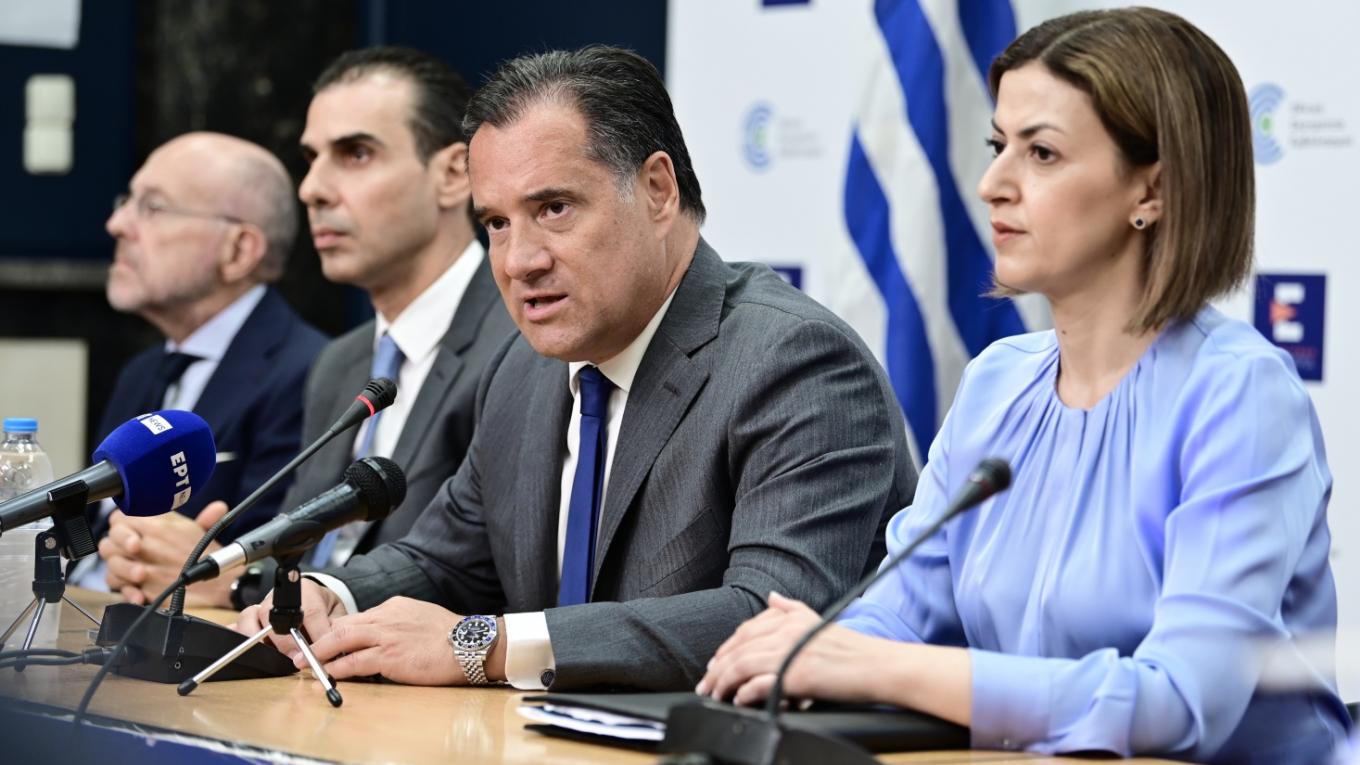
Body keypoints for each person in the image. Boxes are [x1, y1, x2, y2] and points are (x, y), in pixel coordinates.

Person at [698, 8, 1351, 763]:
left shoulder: (1239, 395)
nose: (990, 185)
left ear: (1154, 190)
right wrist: (809, 649)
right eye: (996, 145)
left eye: (1041, 153)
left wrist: (872, 665)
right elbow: (899, 615)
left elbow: (1175, 704)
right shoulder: (997, 382)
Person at [236, 45, 916, 692]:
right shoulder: (524, 370)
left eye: (553, 209)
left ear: (657, 189)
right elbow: (442, 560)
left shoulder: (795, 361)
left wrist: (483, 644)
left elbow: (770, 621)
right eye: (496, 223)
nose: (519, 261)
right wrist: (332, 595)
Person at [97, 47, 517, 609]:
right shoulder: (339, 364)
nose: (311, 189)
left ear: (452, 175)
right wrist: (211, 559)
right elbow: (304, 556)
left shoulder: (518, 345)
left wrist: (234, 581)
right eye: (311, 158)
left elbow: (466, 576)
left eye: (356, 154)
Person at [75, 132, 327, 596]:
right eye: (126, 201)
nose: (116, 224)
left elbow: (279, 561)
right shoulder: (143, 370)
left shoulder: (310, 373)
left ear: (238, 250)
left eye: (153, 207)